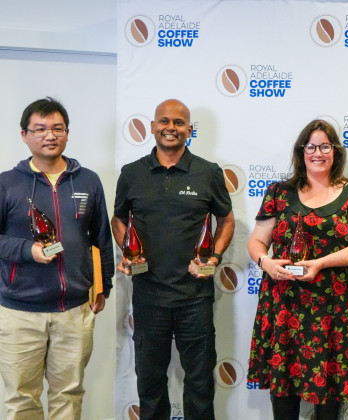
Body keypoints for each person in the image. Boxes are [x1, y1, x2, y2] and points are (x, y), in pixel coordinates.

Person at [247, 119, 348, 420]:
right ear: (301, 151)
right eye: (311, 146)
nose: (317, 153)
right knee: (283, 392)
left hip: (337, 308)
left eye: (325, 146)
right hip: (285, 305)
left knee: (330, 394)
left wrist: (321, 262)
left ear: (335, 152)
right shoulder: (279, 192)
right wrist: (265, 262)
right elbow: (257, 240)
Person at [111, 99, 235, 420]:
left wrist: (216, 257)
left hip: (195, 298)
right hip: (149, 297)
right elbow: (118, 218)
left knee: (199, 385)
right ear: (152, 127)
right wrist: (128, 251)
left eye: (179, 123)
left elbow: (227, 220)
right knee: (150, 386)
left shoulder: (208, 173)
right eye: (164, 122)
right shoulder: (132, 174)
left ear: (189, 130)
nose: (171, 128)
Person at [0, 97, 114, 419]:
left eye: (57, 128)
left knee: (69, 396)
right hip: (19, 313)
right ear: (24, 135)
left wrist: (103, 286)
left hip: (74, 311)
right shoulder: (6, 183)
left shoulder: (88, 180)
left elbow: (101, 239)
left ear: (67, 133)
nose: (49, 135)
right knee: (22, 399)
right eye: (40, 129)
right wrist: (27, 250)